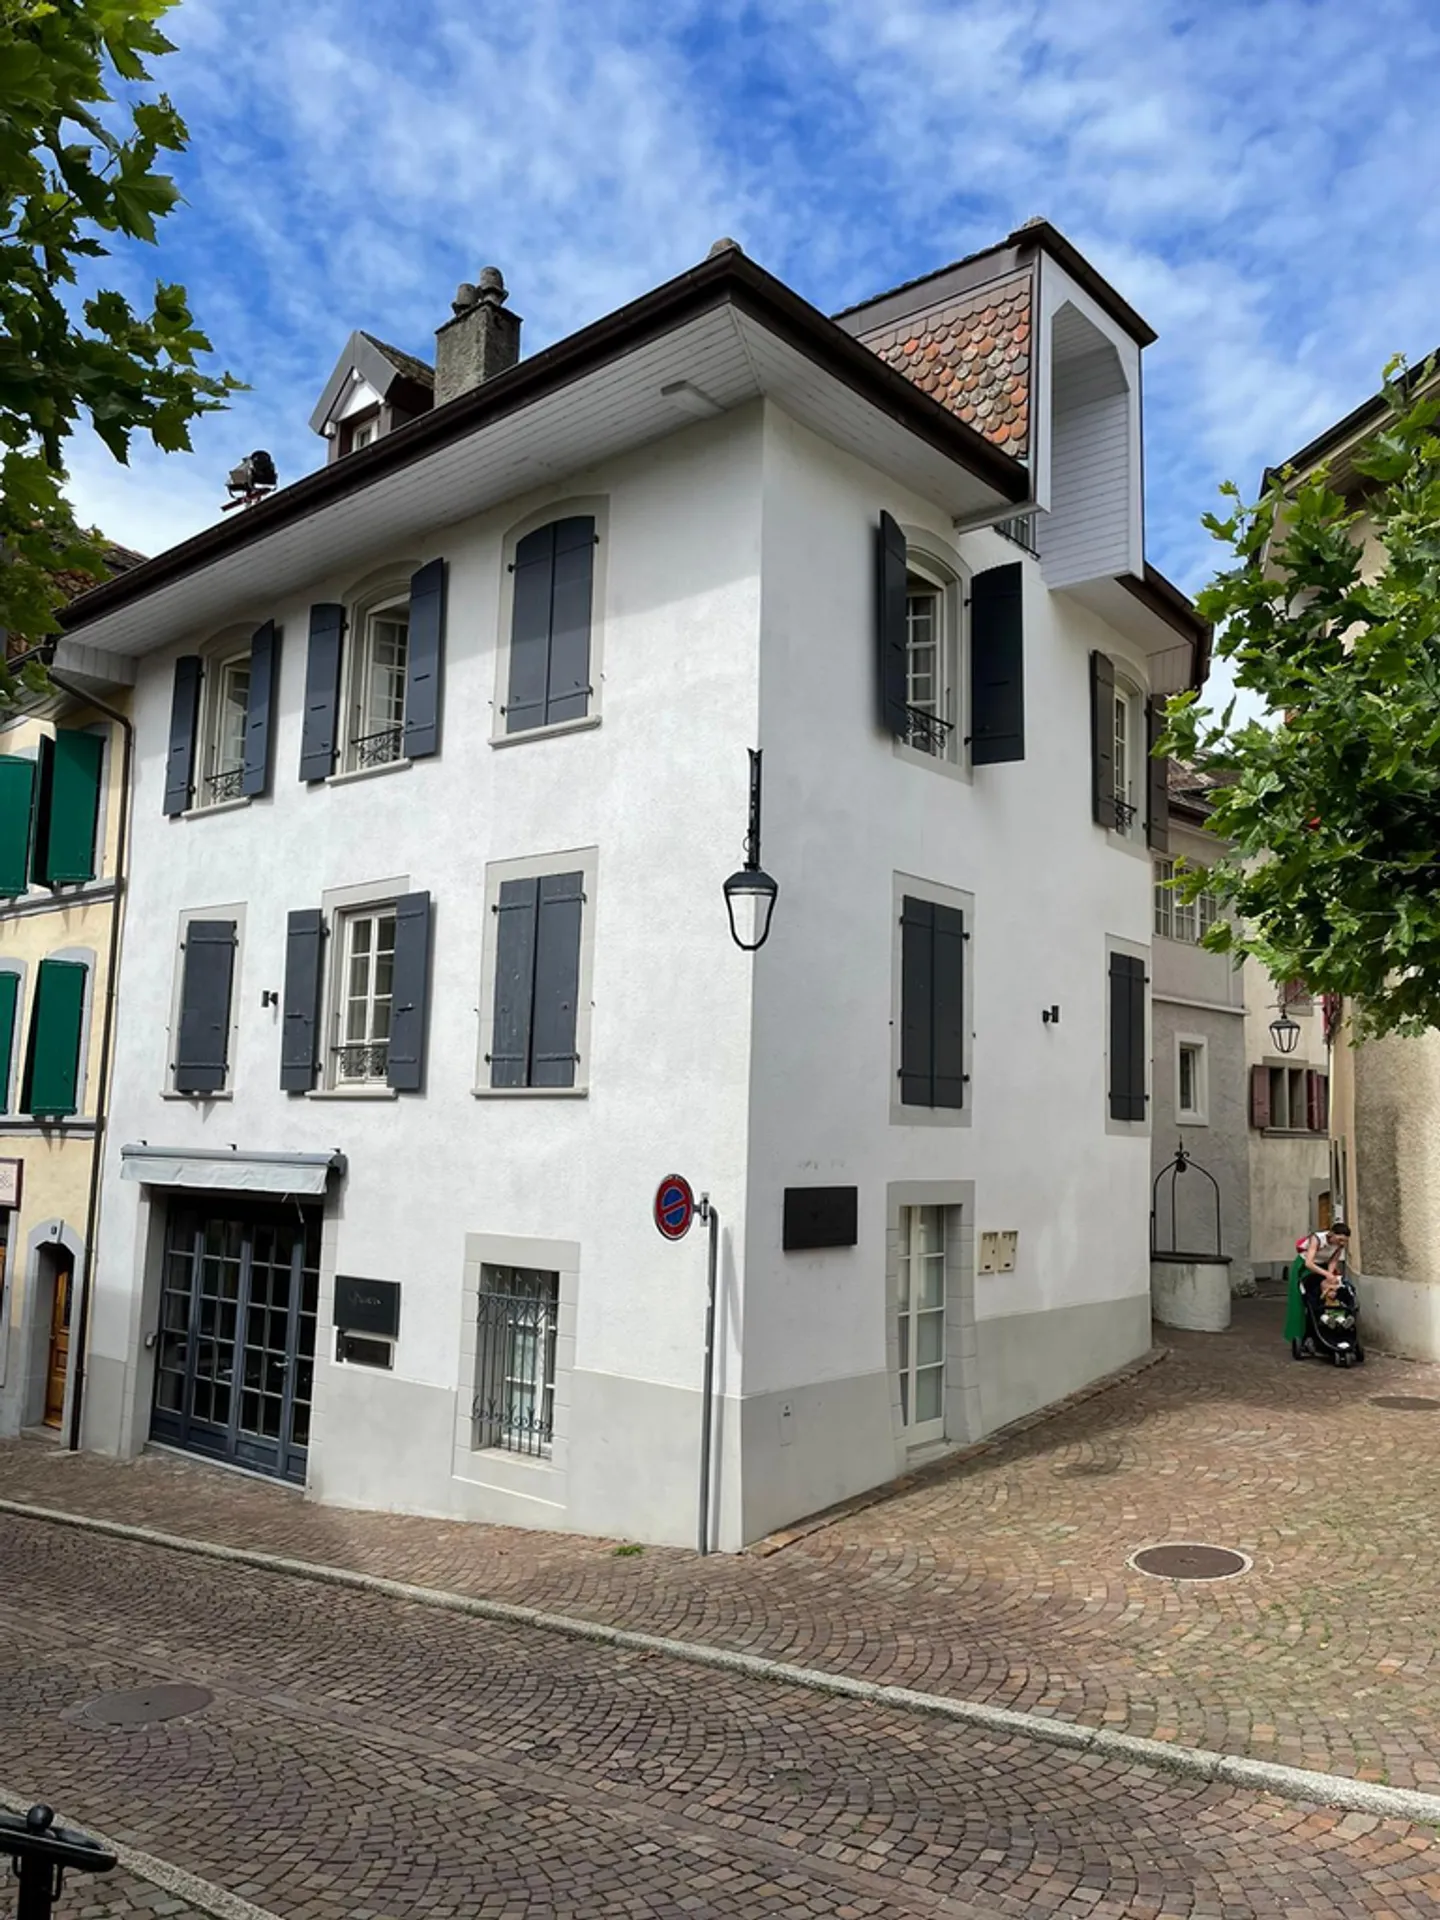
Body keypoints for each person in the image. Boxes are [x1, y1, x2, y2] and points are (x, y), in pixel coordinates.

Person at [1285, 1221, 1351, 1348]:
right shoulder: (1317, 1239)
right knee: (1305, 1301)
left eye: (1345, 1241)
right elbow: (1309, 1263)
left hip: (1323, 1267)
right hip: (1306, 1268)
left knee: (1330, 1294)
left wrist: (1330, 1276)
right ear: (1332, 1234)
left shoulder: (1339, 1246)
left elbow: (1333, 1260)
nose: (1342, 1243)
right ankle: (1303, 1335)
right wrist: (1326, 1274)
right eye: (1340, 1239)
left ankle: (1330, 1326)